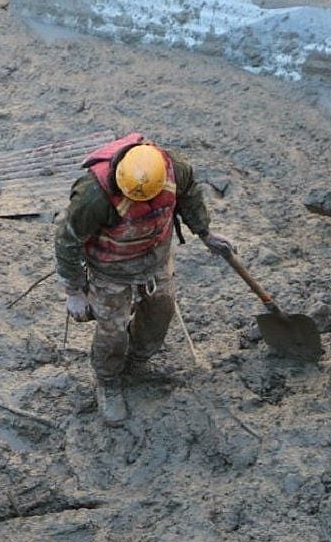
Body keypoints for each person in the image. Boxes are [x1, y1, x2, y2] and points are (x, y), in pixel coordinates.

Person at [54, 133, 236, 426]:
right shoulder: (93, 195)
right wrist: (74, 290)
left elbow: (189, 196)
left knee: (160, 312)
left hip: (155, 259)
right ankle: (109, 380)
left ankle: (138, 362)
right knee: (112, 330)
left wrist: (205, 233)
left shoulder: (175, 169)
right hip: (111, 271)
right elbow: (68, 240)